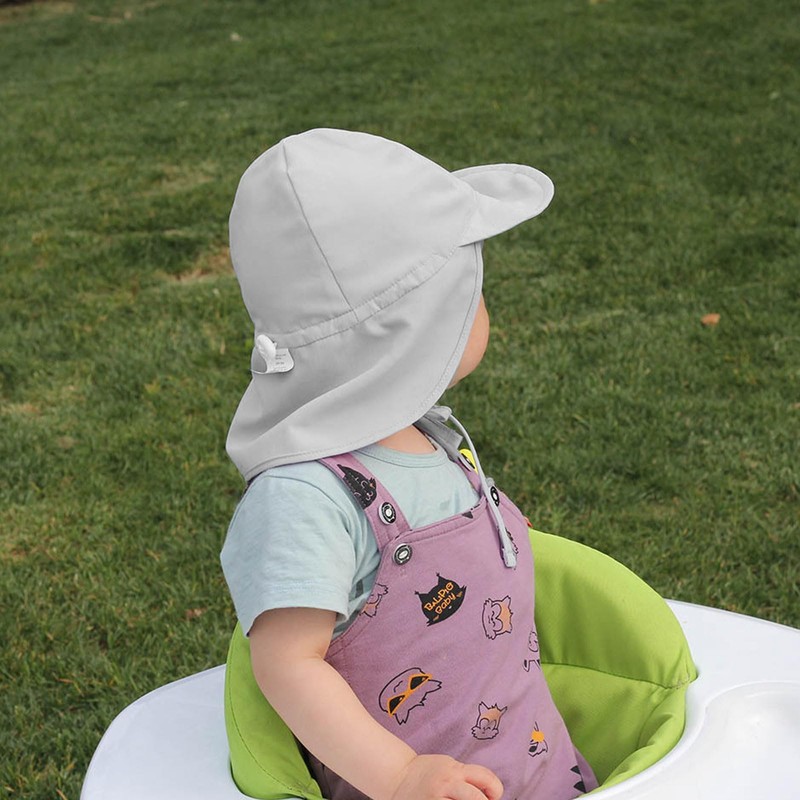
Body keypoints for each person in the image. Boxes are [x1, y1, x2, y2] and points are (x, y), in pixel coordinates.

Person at [221, 129, 598, 800]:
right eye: (469, 295)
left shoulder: (428, 436)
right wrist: (398, 775)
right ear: (413, 332)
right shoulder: (305, 498)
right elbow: (286, 663)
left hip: (537, 768)